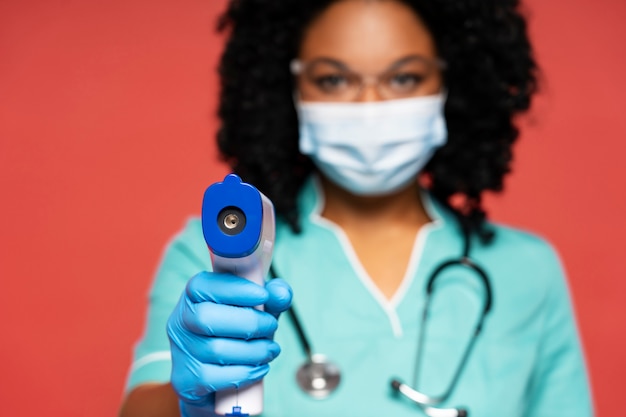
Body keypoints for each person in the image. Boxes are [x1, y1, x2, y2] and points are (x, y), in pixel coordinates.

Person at [119, 1, 593, 416]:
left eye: (404, 77)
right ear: (291, 89)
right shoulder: (217, 253)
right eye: (334, 79)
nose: (370, 105)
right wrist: (192, 403)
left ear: (453, 82)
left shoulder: (529, 271)